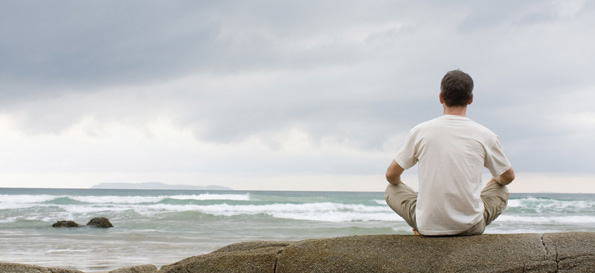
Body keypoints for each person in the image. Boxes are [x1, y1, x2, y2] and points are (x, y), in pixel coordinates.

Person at [385, 69, 515, 236]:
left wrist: (410, 192)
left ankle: (424, 219)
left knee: (391, 189)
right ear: (471, 99)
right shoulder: (486, 135)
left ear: (441, 97)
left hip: (427, 226)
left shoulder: (420, 132)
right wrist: (495, 179)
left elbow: (391, 175)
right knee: (502, 189)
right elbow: (508, 177)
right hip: (471, 227)